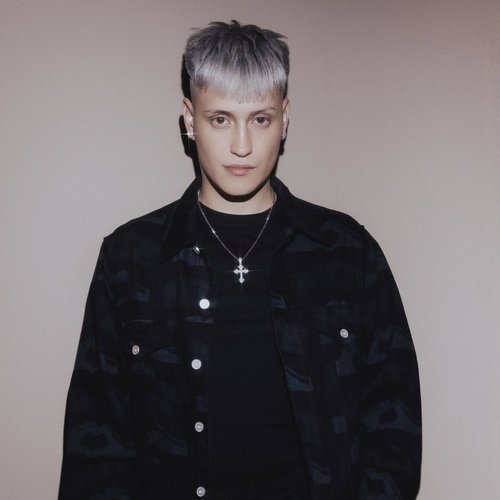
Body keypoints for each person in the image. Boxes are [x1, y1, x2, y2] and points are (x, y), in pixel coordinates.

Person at [59, 20, 421, 500]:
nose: (242, 146)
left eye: (261, 119)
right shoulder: (131, 258)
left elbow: (394, 424)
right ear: (190, 119)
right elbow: (96, 441)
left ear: (285, 118)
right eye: (220, 119)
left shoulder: (347, 252)